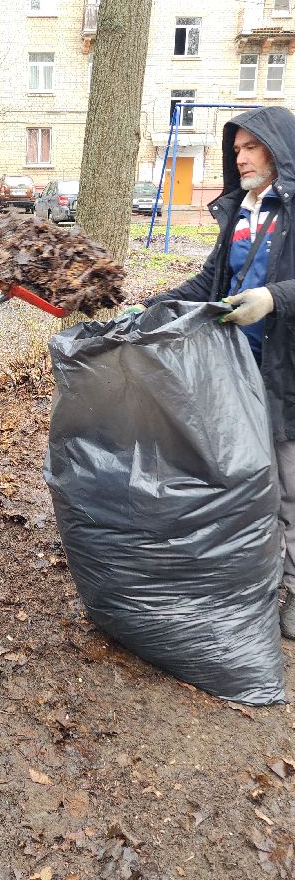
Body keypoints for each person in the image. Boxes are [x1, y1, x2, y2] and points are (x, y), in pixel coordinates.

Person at [144, 105, 295, 641]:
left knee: (287, 488)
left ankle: (292, 595)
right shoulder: (242, 210)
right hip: (233, 370)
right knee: (234, 479)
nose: (242, 157)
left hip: (285, 376)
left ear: (278, 151)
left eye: (252, 147)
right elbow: (212, 279)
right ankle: (241, 584)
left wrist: (272, 298)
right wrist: (153, 306)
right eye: (237, 150)